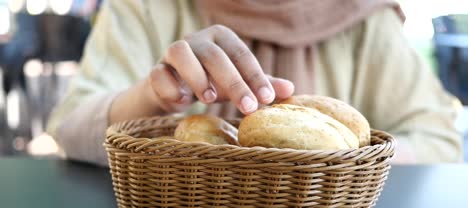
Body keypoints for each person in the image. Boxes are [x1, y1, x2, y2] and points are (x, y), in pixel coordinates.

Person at [47, 0, 463, 166]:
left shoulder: (364, 16)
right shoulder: (146, 6)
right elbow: (70, 129)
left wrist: (346, 166)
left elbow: (442, 143)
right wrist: (153, 95)